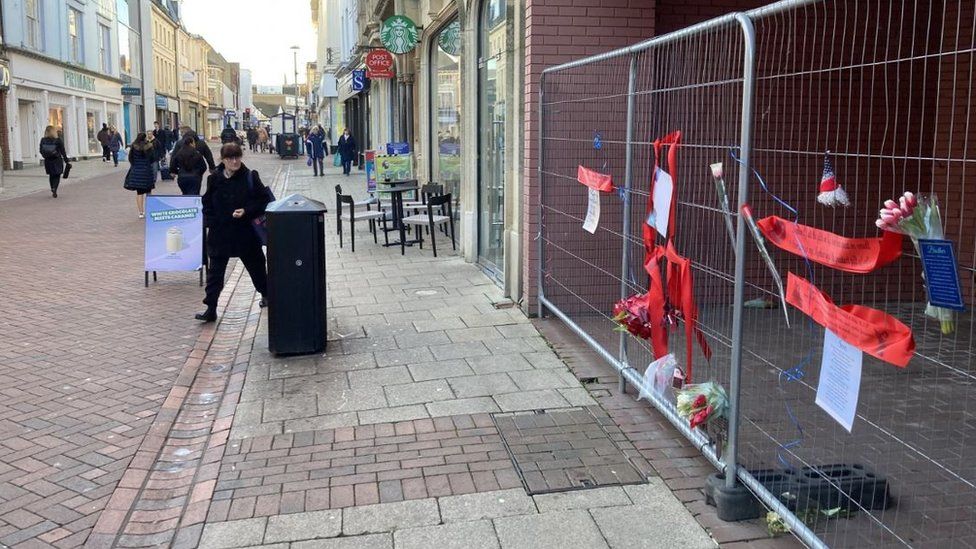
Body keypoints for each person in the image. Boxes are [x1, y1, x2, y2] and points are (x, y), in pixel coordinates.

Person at [196, 143, 271, 322]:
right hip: (220, 233)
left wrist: (246, 210)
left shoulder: (250, 176)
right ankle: (211, 308)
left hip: (245, 233)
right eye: (230, 158)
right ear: (223, 160)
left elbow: (263, 200)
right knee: (215, 273)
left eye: (237, 157)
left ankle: (267, 295)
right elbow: (207, 201)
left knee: (257, 267)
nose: (235, 161)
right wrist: (210, 220)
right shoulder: (213, 178)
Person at [124, 133, 157, 218]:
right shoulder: (149, 146)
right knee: (149, 192)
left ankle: (141, 212)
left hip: (137, 171)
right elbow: (153, 158)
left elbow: (130, 158)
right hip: (147, 172)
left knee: (139, 193)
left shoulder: (134, 147)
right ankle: (149, 210)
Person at [39, 125, 69, 198]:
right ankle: (54, 188)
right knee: (57, 175)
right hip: (57, 160)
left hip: (48, 160)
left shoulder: (43, 140)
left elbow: (40, 150)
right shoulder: (58, 140)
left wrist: (44, 155)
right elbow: (63, 151)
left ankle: (52, 187)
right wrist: (66, 161)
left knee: (51, 175)